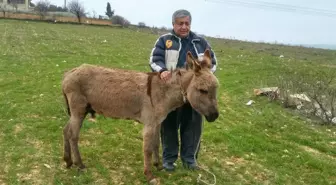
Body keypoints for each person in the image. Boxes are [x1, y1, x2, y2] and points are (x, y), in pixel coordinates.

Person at [148, 9, 217, 171]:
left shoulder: (200, 42)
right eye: (180, 24)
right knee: (169, 126)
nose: (184, 27)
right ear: (173, 24)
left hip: (196, 94)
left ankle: (189, 159)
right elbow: (155, 59)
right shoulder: (165, 41)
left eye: (187, 23)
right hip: (171, 93)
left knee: (193, 127)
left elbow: (212, 62)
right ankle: (169, 160)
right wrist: (162, 70)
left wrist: (204, 77)